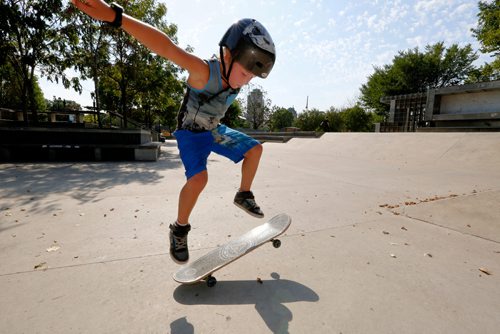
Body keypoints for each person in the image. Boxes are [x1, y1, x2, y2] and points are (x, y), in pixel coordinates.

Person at [72, 1, 276, 263]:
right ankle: (179, 228)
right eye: (245, 72)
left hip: (213, 130)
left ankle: (243, 194)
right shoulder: (204, 71)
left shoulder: (235, 78)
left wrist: (243, 76)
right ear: (228, 55)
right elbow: (167, 47)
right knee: (199, 180)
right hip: (190, 134)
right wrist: (116, 17)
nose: (245, 81)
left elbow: (235, 86)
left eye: (251, 78)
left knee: (255, 150)